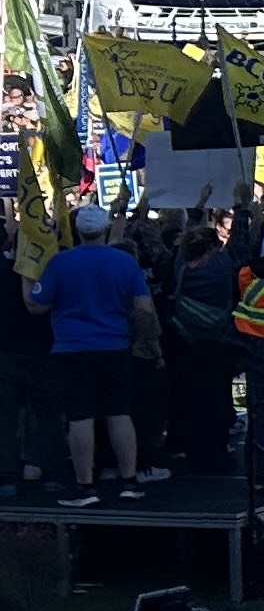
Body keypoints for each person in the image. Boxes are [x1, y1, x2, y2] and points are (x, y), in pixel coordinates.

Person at [27, 200, 153, 506]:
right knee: (119, 413)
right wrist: (140, 339)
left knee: (80, 416)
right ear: (104, 229)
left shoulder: (60, 262)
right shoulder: (124, 262)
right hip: (115, 345)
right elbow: (144, 308)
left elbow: (36, 305)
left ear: (78, 231)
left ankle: (85, 486)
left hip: (72, 347)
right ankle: (130, 480)